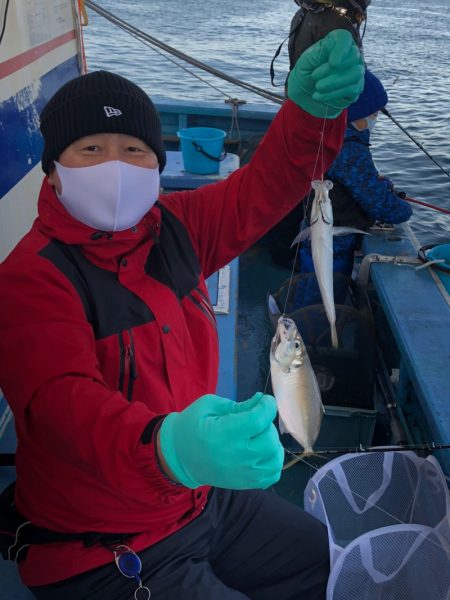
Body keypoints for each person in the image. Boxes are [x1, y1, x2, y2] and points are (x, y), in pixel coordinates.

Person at [0, 31, 364, 600]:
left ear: (156, 164)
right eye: (91, 149)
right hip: (104, 545)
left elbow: (264, 190)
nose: (115, 165)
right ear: (52, 172)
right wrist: (169, 447)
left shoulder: (177, 226)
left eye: (134, 149)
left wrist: (311, 114)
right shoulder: (32, 277)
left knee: (327, 565)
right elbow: (60, 405)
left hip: (202, 497)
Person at [295, 68, 413, 290]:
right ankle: (315, 322)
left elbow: (360, 180)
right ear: (353, 115)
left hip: (313, 228)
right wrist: (405, 209)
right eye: (373, 114)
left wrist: (380, 183)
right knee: (322, 291)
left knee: (312, 282)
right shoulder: (348, 149)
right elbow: (380, 204)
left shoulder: (327, 132)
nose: (375, 119)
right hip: (333, 243)